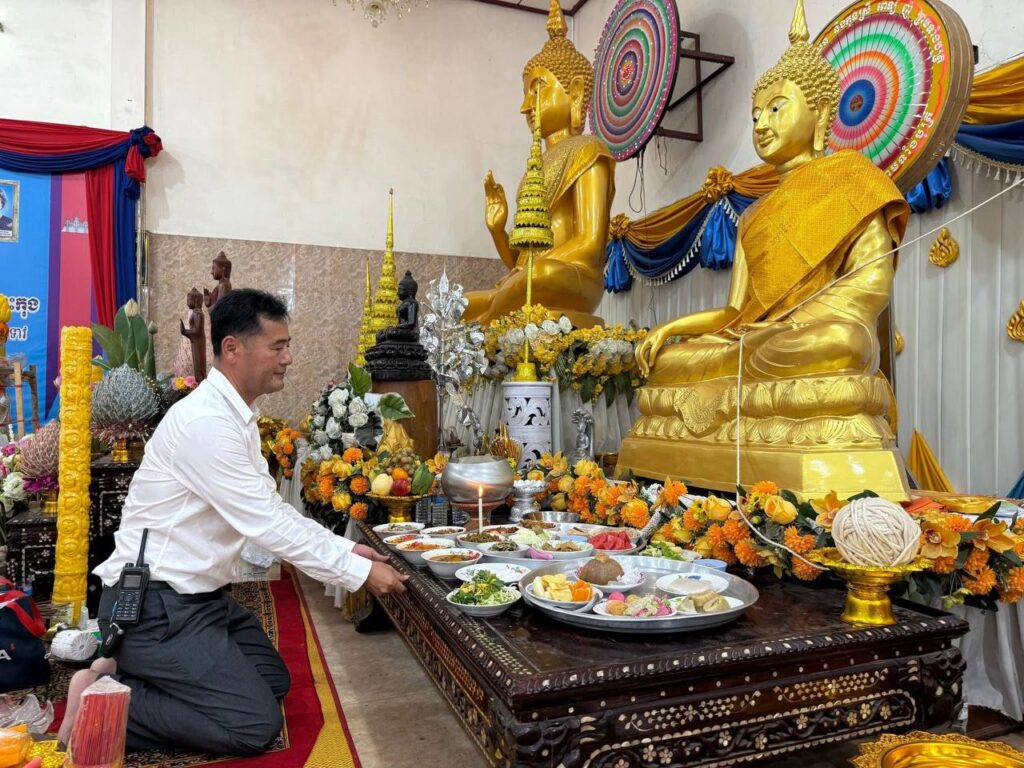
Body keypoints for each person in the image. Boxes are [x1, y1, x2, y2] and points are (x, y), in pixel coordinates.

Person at [60, 289, 407, 756]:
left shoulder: (234, 417)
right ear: (232, 348)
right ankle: (104, 703)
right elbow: (266, 524)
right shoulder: (205, 423)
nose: (288, 358)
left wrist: (348, 550)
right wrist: (359, 573)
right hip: (154, 608)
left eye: (288, 345)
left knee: (272, 680)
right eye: (277, 346)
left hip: (198, 600)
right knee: (253, 725)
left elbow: (273, 509)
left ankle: (120, 670)